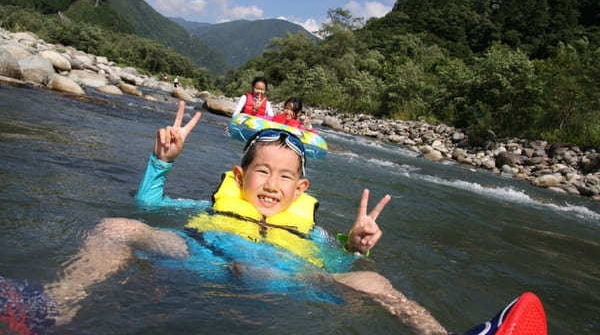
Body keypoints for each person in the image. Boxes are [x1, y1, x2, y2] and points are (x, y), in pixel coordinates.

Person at [1, 103, 547, 335]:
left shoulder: (310, 231)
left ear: (301, 188)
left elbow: (333, 260)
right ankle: (50, 306)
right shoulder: (211, 208)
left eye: (285, 177)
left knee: (375, 281)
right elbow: (148, 210)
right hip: (202, 263)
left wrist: (355, 248)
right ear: (239, 179)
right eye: (260, 172)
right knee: (115, 229)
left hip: (287, 281)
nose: (271, 183)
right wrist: (159, 165)